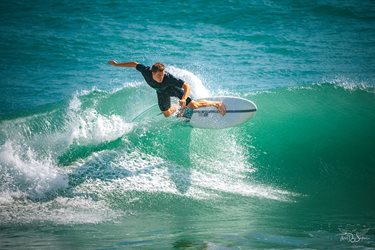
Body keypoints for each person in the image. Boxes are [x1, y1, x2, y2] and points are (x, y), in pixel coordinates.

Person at [107, 60, 226, 117]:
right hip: (161, 92)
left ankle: (217, 104)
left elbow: (186, 85)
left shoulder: (168, 78)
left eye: (162, 74)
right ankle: (179, 108)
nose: (161, 77)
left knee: (193, 105)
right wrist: (117, 65)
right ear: (152, 73)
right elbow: (134, 64)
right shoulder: (146, 71)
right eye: (159, 75)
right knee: (167, 114)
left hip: (172, 89)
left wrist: (184, 98)